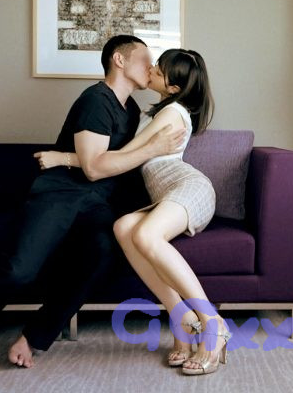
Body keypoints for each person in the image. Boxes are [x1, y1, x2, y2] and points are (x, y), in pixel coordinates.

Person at [35, 49, 232, 376]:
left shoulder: (174, 112)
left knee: (145, 234)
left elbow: (122, 156)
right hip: (168, 194)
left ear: (173, 88)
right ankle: (182, 321)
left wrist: (62, 158)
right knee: (124, 227)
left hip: (189, 188)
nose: (152, 69)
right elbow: (116, 157)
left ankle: (212, 322)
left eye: (160, 69)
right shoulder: (152, 114)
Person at [0, 35, 185, 368]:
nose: (151, 66)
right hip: (62, 194)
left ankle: (33, 336)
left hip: (98, 202)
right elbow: (95, 168)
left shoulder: (132, 110)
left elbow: (118, 160)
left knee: (103, 254)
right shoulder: (96, 100)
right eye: (145, 58)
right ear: (119, 60)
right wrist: (154, 147)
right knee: (20, 271)